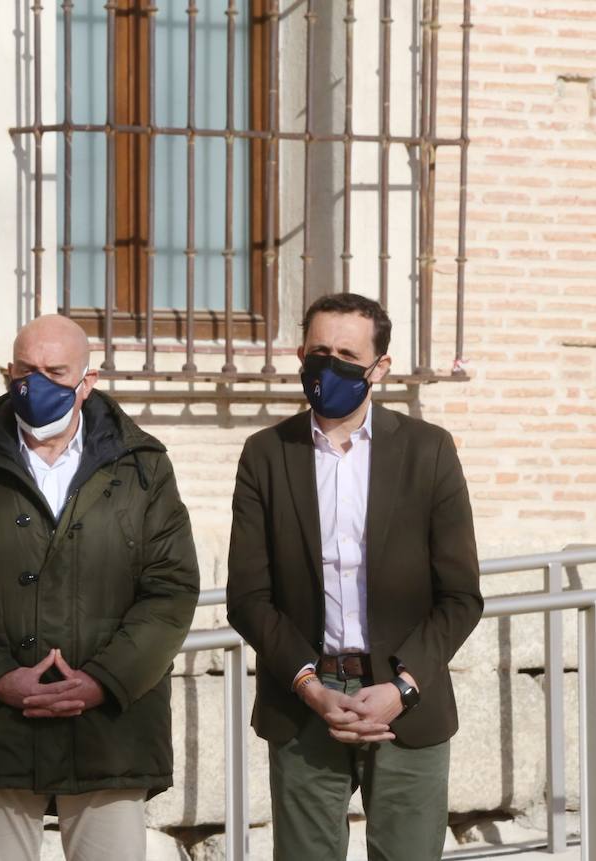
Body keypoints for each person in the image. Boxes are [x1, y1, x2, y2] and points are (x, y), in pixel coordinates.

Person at [0, 314, 199, 861]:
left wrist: (104, 680)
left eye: (54, 371)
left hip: (108, 728)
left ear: (87, 381)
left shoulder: (142, 467)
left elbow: (172, 587)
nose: (34, 383)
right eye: (24, 370)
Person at [226, 292, 483, 860]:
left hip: (407, 704)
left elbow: (461, 597)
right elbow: (248, 596)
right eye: (319, 351)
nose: (329, 365)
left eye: (347, 353)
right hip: (304, 703)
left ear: (379, 367)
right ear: (299, 355)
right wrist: (311, 688)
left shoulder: (428, 451)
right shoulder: (266, 454)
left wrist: (402, 688)